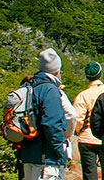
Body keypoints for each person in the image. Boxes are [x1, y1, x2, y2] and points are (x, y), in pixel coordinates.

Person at [20, 48, 69, 180]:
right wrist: (61, 152)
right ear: (57, 70)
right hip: (46, 158)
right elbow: (52, 124)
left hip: (28, 155)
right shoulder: (50, 89)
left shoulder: (29, 85)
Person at [73, 62, 104, 180]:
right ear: (101, 75)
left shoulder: (82, 95)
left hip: (87, 138)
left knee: (89, 173)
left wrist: (79, 131)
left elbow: (78, 118)